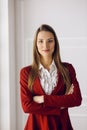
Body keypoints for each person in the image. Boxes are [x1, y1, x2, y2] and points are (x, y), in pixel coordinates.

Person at [20, 24, 82, 130]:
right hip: (36, 126)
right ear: (36, 44)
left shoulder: (67, 69)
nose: (45, 45)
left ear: (55, 43)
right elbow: (27, 107)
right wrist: (60, 106)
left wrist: (44, 99)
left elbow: (76, 99)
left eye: (50, 41)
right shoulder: (26, 72)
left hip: (62, 125)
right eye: (41, 41)